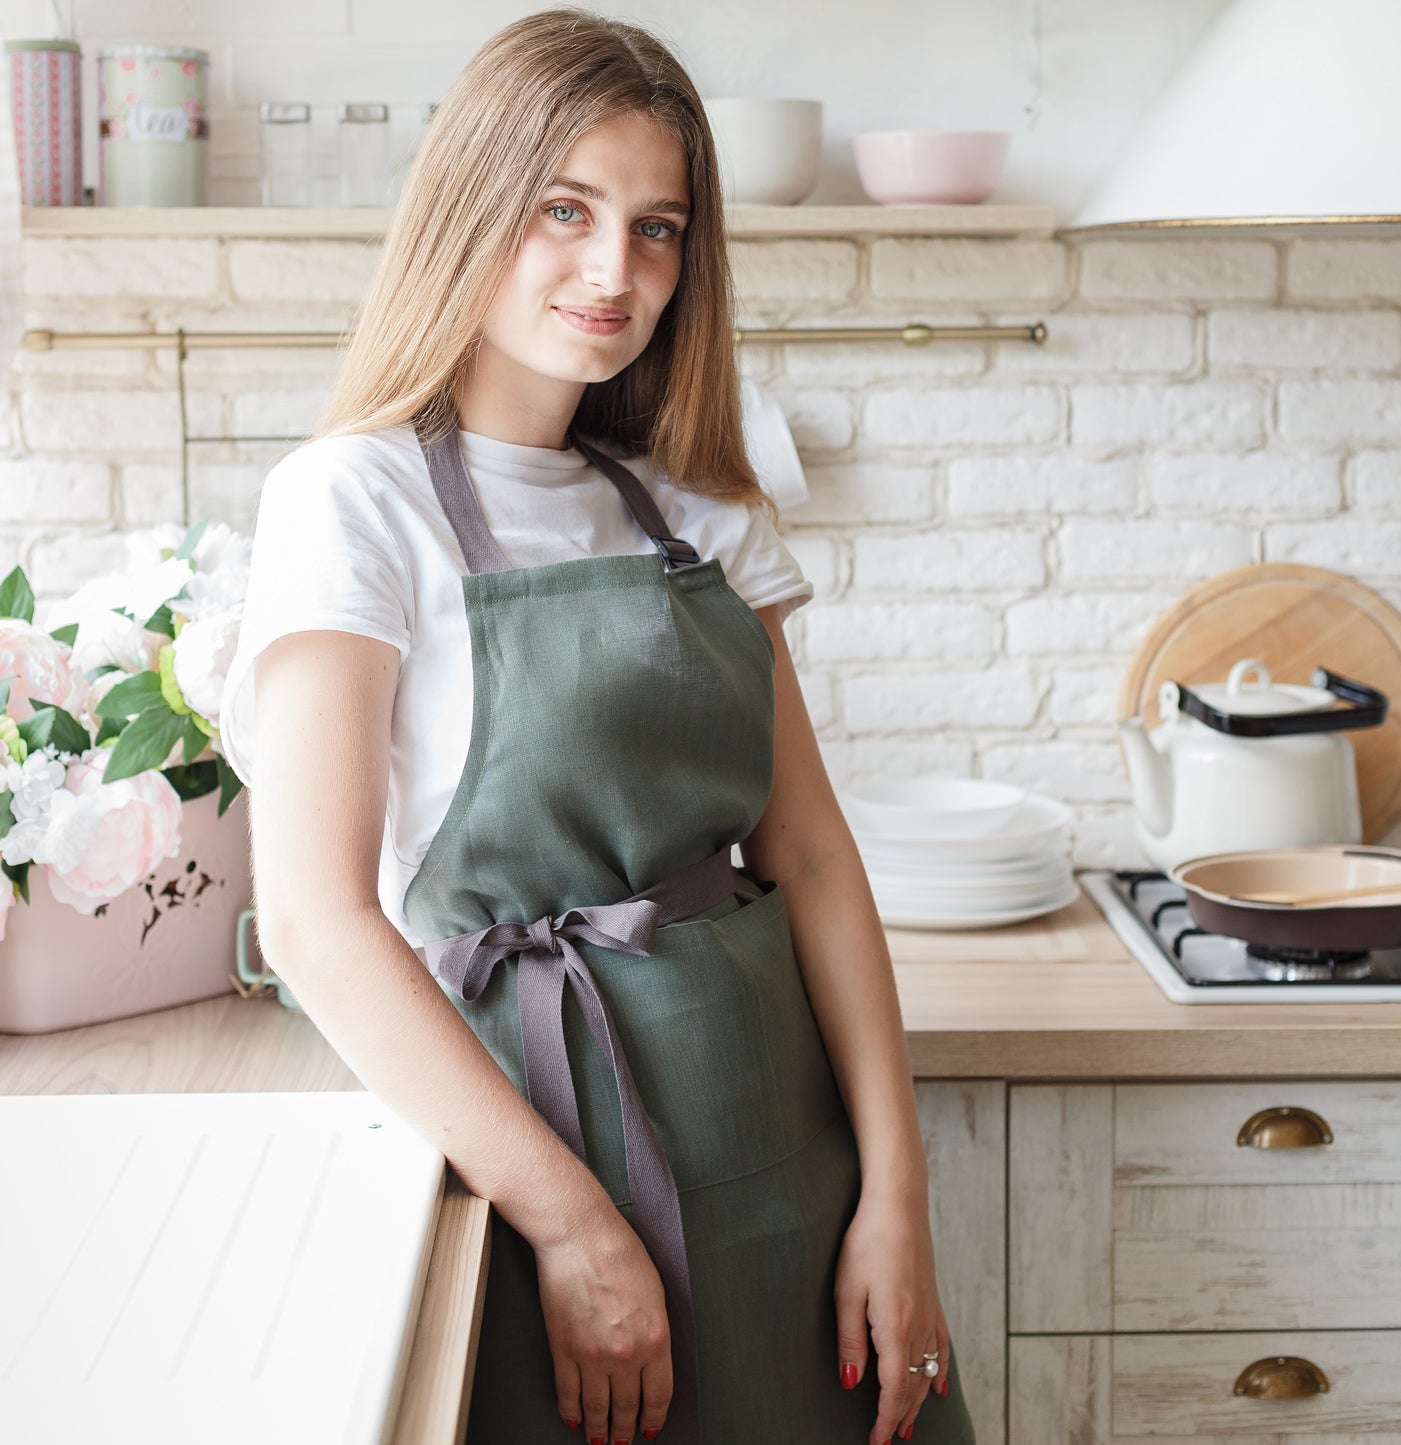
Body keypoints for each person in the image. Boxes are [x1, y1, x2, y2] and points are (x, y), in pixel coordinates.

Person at [220, 10, 974, 1444]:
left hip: (779, 1147)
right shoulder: (348, 501)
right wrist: (568, 1224)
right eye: (565, 209)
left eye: (657, 225)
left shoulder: (702, 508)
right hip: (532, 1145)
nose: (613, 269)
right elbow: (314, 920)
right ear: (473, 203)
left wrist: (896, 1197)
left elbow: (807, 857)